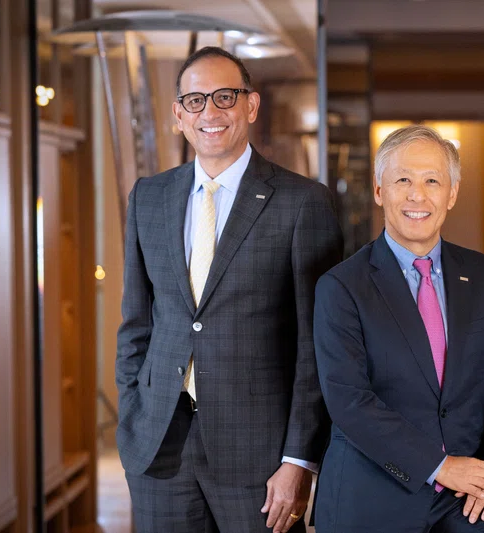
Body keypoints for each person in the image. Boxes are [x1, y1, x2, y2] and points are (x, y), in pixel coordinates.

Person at [115, 46, 343, 533]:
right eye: (195, 101)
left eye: (224, 97)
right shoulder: (148, 197)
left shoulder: (303, 203)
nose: (210, 112)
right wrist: (132, 412)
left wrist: (299, 459)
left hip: (260, 460)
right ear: (178, 115)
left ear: (250, 106)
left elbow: (315, 346)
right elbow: (136, 321)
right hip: (159, 448)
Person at [313, 125, 484, 533]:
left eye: (432, 180)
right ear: (379, 191)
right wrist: (441, 467)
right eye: (403, 180)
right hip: (376, 490)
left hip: (472, 491)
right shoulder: (342, 287)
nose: (417, 195)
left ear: (452, 193)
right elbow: (349, 401)